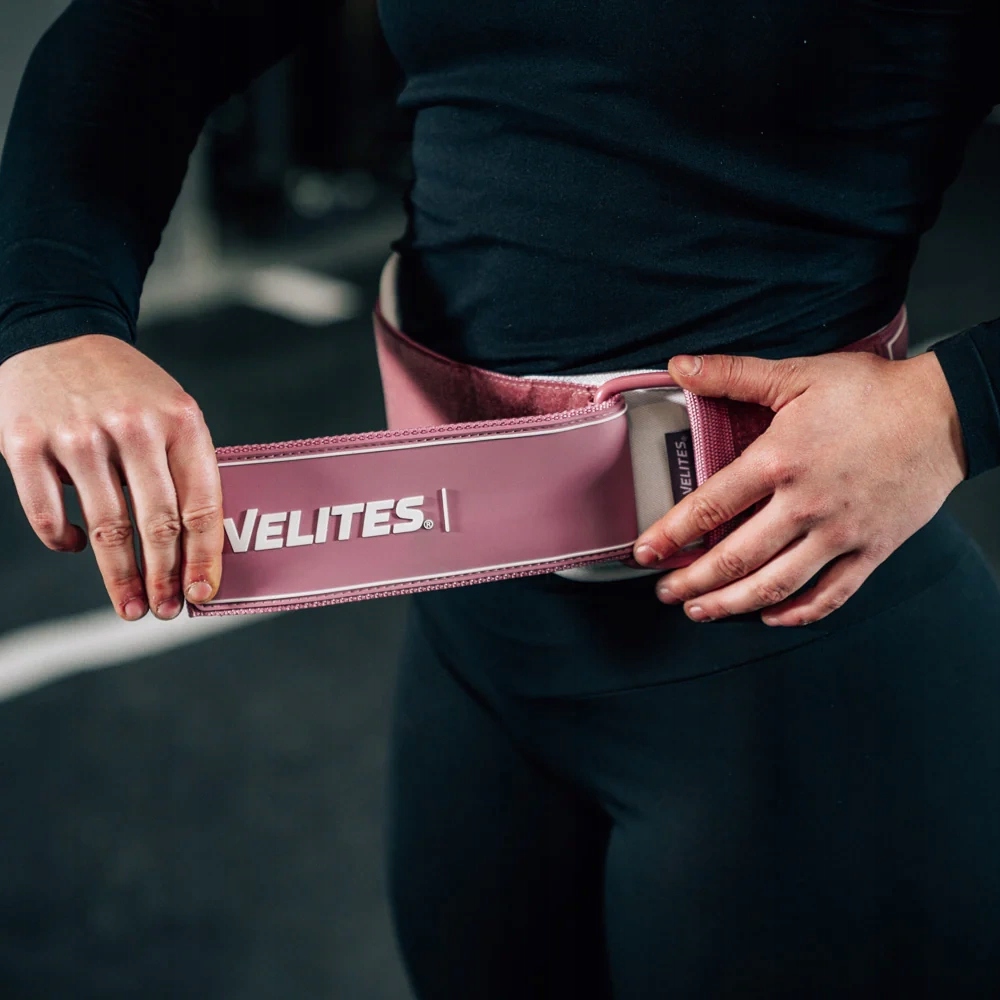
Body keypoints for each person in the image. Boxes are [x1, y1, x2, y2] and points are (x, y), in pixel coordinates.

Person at [1, 1, 998, 995]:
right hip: (475, 641)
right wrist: (55, 311)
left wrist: (956, 405)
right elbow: (148, 36)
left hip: (802, 662)